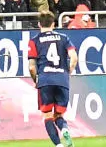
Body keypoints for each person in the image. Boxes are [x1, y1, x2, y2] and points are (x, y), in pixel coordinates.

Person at [28, 11, 76, 147]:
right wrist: (68, 71)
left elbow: (31, 67)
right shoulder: (64, 38)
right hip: (62, 79)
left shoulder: (34, 41)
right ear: (53, 24)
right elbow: (74, 57)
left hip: (45, 80)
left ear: (39, 24)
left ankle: (58, 145)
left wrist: (35, 80)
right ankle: (65, 129)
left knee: (48, 116)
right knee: (59, 115)